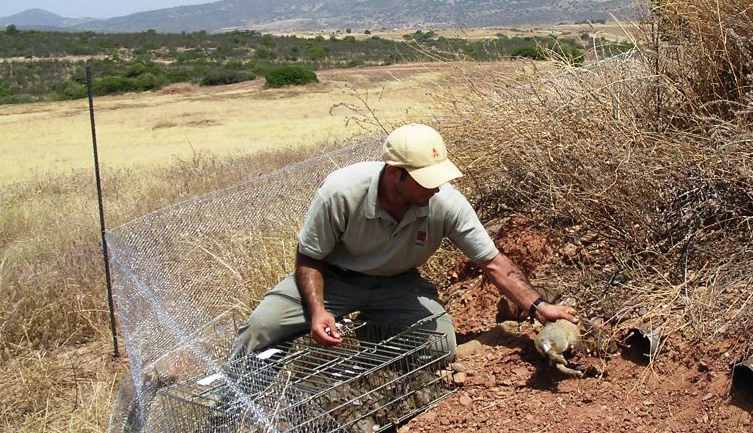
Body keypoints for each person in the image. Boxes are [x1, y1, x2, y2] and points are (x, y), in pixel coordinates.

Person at [230, 123, 577, 361]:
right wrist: (318, 311)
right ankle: (227, 404)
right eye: (426, 179)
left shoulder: (445, 202)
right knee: (261, 327)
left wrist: (538, 307)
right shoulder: (341, 192)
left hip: (397, 285)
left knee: (440, 346)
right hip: (332, 280)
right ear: (394, 172)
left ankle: (369, 342)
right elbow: (309, 256)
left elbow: (493, 263)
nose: (436, 187)